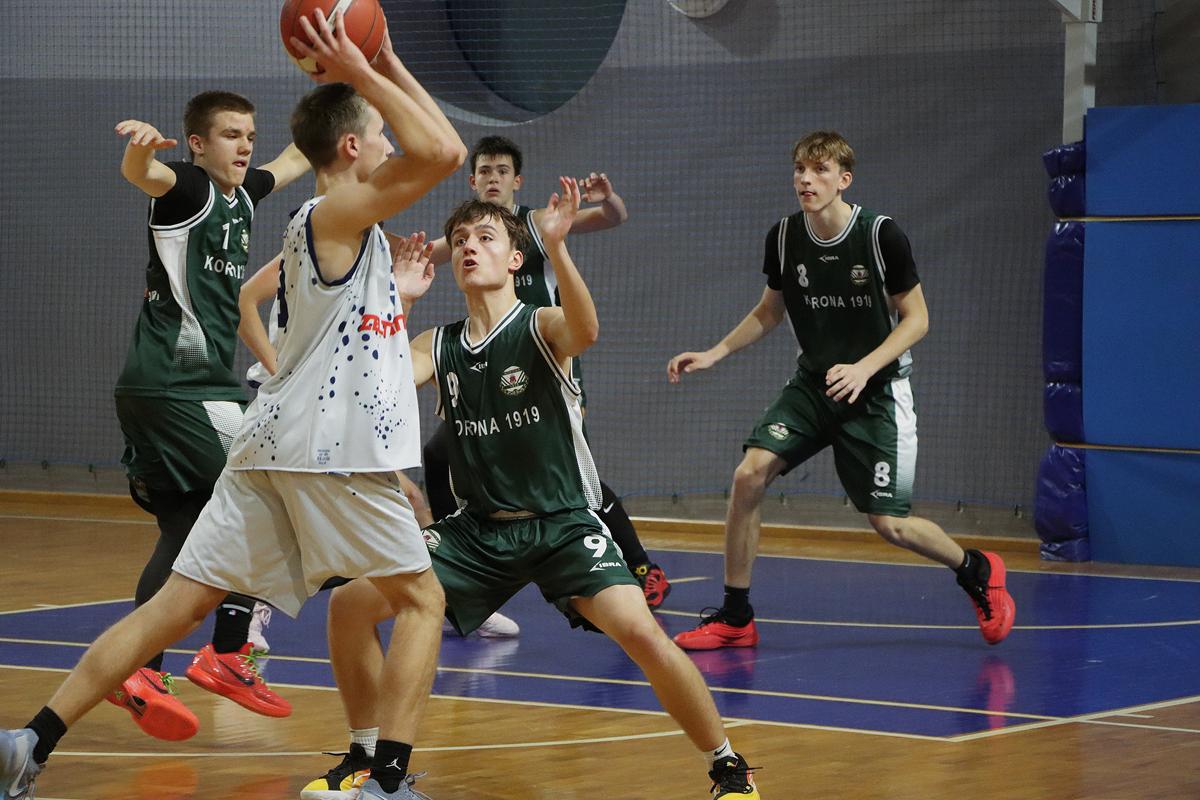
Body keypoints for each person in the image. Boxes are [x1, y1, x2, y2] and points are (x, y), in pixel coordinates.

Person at [0, 12, 466, 799]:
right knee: (423, 600)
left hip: (272, 446)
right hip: (329, 453)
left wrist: (381, 61)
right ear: (351, 147)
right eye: (379, 132)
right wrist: (368, 69)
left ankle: (29, 741)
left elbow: (424, 158)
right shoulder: (335, 215)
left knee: (180, 605)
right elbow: (446, 151)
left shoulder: (342, 231)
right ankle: (387, 781)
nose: (393, 141)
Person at [301, 188, 761, 799]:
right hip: (478, 531)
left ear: (516, 258)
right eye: (460, 240)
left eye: (485, 238)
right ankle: (368, 759)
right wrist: (399, 302)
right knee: (350, 604)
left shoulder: (540, 324)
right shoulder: (437, 344)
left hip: (562, 523)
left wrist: (560, 248)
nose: (469, 247)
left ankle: (728, 767)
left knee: (641, 632)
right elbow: (377, 389)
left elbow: (585, 329)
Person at [666, 130, 1016, 651]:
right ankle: (736, 616)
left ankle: (975, 568)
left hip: (875, 393)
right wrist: (715, 352)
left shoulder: (880, 235)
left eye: (820, 170)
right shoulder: (784, 237)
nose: (806, 180)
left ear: (844, 179)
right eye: (799, 170)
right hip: (815, 386)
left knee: (890, 524)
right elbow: (769, 310)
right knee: (748, 475)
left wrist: (864, 368)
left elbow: (917, 318)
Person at [107, 88, 311, 738]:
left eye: (248, 134)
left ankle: (139, 669)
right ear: (197, 143)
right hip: (181, 387)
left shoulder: (242, 194)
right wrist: (140, 152)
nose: (244, 145)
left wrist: (353, 88)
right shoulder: (189, 187)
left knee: (182, 529)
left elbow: (296, 157)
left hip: (163, 389)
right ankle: (228, 652)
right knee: (275, 485)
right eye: (230, 134)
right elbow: (147, 176)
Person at [421, 136, 673, 609]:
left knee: (570, 474)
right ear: (472, 180)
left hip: (544, 358)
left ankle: (641, 566)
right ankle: (453, 556)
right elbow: (415, 252)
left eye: (502, 171)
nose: (493, 178)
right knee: (439, 453)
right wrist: (362, 236)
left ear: (516, 181)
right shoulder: (469, 236)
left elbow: (612, 217)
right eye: (485, 170)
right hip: (490, 366)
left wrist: (608, 199)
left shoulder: (538, 224)